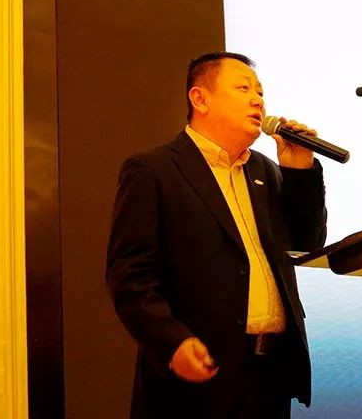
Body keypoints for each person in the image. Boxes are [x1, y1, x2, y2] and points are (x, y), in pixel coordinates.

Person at [106, 52, 327, 419]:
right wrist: (171, 341)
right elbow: (129, 276)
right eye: (244, 89)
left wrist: (300, 172)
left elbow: (307, 245)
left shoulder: (265, 172)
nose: (258, 100)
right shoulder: (154, 170)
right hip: (196, 381)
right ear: (200, 99)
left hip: (269, 377)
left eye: (260, 92)